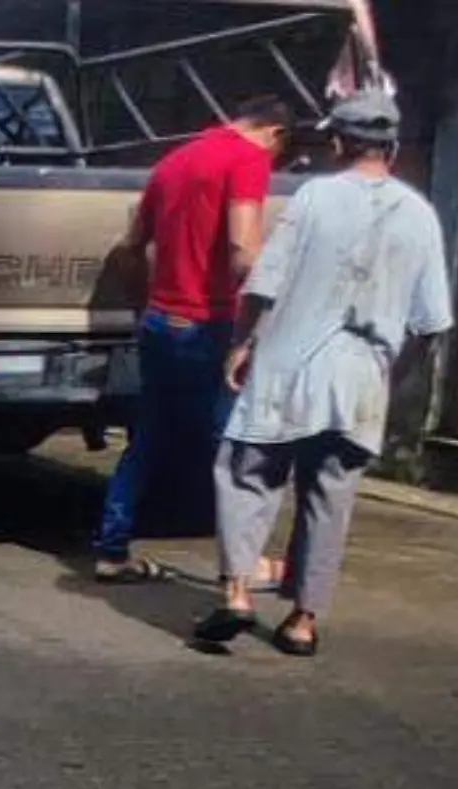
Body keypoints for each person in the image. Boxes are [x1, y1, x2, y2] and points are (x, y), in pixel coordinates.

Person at [195, 90, 453, 656]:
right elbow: (432, 323)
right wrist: (393, 374)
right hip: (360, 381)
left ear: (338, 141)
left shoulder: (314, 197)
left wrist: (242, 345)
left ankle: (236, 593)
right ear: (391, 145)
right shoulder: (421, 215)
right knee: (328, 497)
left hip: (288, 368)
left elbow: (264, 281)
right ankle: (303, 622)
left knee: (247, 474)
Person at [95, 96, 294, 585]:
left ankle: (111, 549)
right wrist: (274, 302)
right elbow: (243, 250)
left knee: (148, 437)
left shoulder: (174, 161)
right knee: (234, 445)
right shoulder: (248, 159)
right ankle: (244, 566)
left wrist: (146, 305)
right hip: (211, 324)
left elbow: (128, 249)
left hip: (162, 322)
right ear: (275, 133)